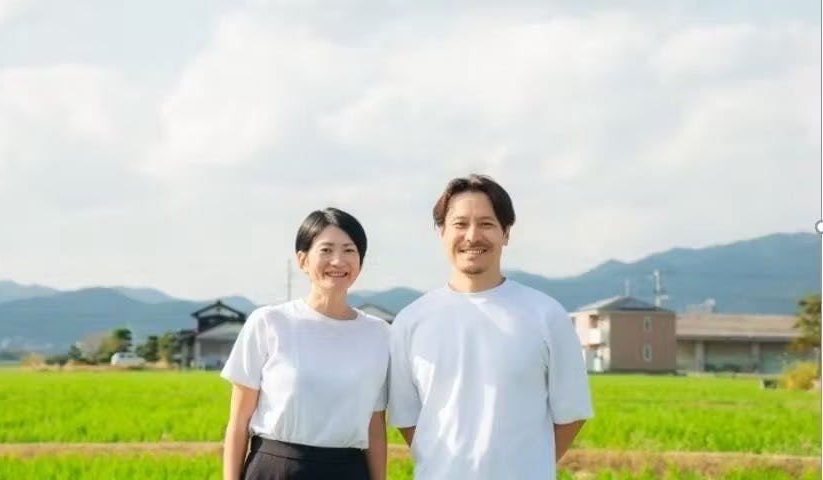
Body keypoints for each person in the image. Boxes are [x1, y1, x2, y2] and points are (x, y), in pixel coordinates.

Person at [388, 174, 593, 479]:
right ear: (442, 232)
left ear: (506, 233)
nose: (472, 236)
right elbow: (408, 419)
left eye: (486, 224)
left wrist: (527, 467)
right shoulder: (410, 321)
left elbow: (571, 414)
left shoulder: (546, 315)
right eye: (460, 224)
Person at [221, 208, 389, 480]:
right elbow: (238, 423)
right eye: (326, 250)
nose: (338, 260)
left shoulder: (379, 334)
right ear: (303, 260)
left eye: (349, 250)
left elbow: (375, 423)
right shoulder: (269, 322)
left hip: (349, 470)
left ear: (360, 261)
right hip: (276, 469)